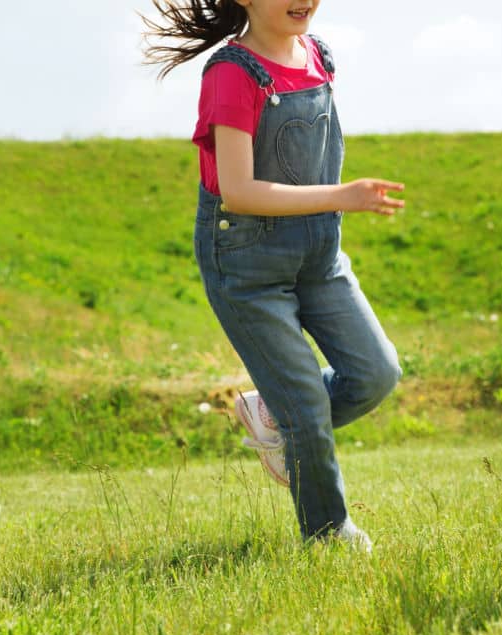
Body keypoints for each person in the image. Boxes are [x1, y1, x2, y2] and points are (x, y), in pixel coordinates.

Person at [144, 0, 404, 552]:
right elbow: (239, 189)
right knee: (307, 405)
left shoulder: (319, 57)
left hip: (319, 258)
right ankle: (328, 533)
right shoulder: (232, 74)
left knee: (377, 372)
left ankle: (273, 413)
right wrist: (344, 196)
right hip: (245, 262)